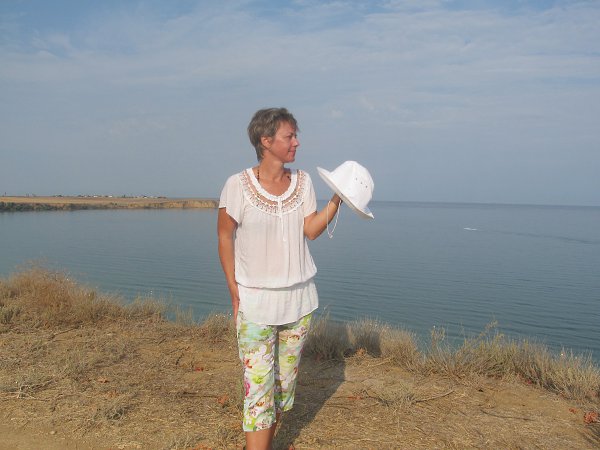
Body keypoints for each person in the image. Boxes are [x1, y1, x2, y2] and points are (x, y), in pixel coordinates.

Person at [217, 107, 342, 450]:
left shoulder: (303, 182)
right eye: (289, 136)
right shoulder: (237, 185)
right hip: (256, 303)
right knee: (258, 389)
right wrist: (233, 288)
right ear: (266, 140)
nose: (296, 142)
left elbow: (310, 230)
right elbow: (224, 236)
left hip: (298, 303)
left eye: (295, 136)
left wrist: (338, 198)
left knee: (282, 388)